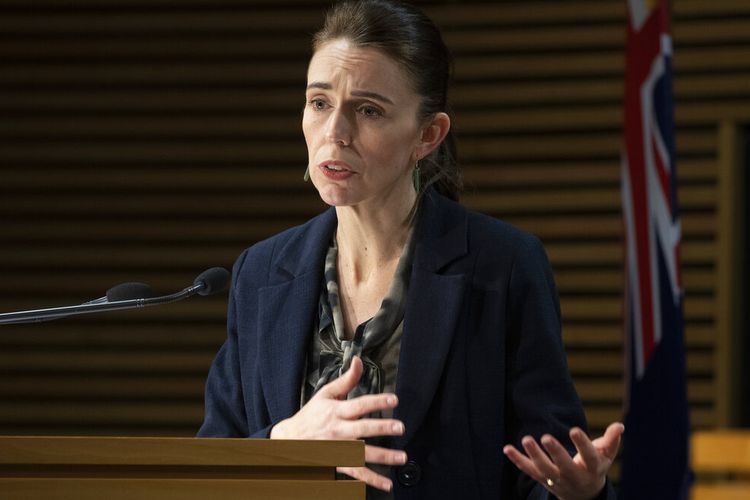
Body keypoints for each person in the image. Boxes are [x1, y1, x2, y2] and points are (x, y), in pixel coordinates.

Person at [198, 1, 624, 498]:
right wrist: (283, 442)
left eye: (369, 110)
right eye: (319, 103)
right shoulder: (262, 271)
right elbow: (212, 462)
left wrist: (580, 492)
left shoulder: (502, 265)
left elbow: (545, 463)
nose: (334, 132)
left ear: (427, 135)